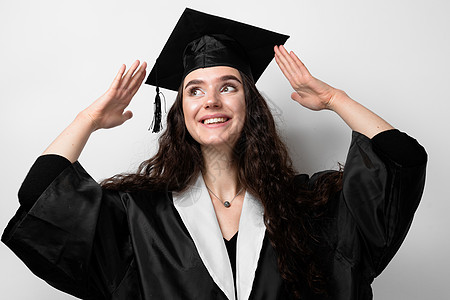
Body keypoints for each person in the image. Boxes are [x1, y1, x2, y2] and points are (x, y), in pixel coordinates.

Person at [2, 8, 426, 300]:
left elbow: (400, 159)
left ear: (249, 105)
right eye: (194, 90)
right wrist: (89, 117)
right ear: (181, 112)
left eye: (228, 86)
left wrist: (336, 98)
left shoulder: (309, 206)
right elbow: (40, 197)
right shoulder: (139, 216)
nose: (211, 101)